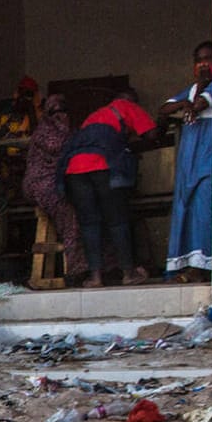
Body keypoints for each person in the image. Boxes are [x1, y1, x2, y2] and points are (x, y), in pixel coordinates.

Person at [59, 88, 156, 286]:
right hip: (102, 166)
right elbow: (151, 134)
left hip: (74, 170)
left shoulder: (95, 115)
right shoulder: (128, 107)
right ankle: (128, 274)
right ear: (132, 101)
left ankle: (95, 278)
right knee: (117, 220)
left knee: (89, 223)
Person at [162, 42, 212, 281]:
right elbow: (164, 109)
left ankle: (202, 267)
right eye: (199, 60)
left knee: (205, 207)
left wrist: (196, 96)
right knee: (188, 207)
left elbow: (201, 104)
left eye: (208, 59)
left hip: (207, 155)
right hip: (189, 158)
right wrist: (184, 103)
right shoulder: (191, 89)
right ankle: (190, 265)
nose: (203, 64)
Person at [22, 93, 84, 281]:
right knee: (71, 214)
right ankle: (75, 270)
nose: (60, 116)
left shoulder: (68, 131)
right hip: (41, 185)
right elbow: (60, 148)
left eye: (63, 112)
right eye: (55, 112)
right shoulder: (46, 133)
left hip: (59, 182)